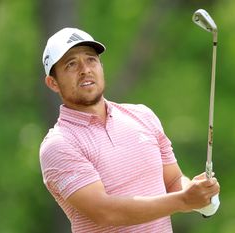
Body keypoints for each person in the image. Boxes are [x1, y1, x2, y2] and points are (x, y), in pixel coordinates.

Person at [39, 27, 220, 233]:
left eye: (91, 59)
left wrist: (196, 193)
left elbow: (172, 180)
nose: (85, 69)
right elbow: (105, 212)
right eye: (71, 64)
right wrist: (183, 201)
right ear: (53, 83)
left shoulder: (142, 116)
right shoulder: (59, 144)